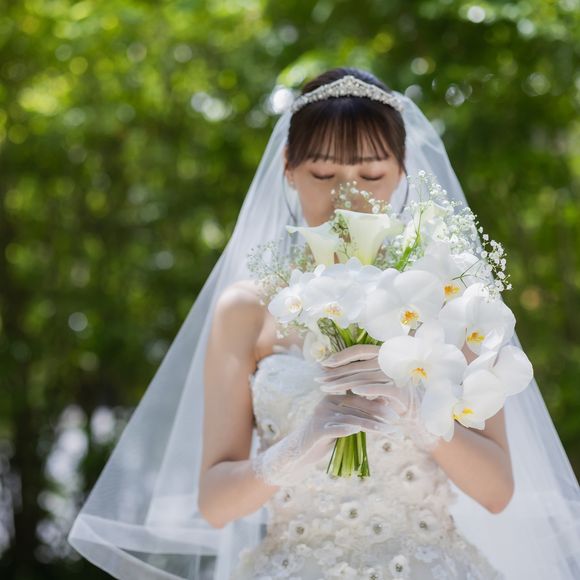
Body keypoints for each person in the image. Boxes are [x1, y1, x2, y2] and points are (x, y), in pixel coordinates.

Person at [67, 68, 580, 580]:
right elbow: (216, 505)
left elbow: (497, 492)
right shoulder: (245, 310)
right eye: (323, 174)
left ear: (402, 169)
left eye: (371, 175)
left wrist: (416, 412)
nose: (347, 197)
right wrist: (297, 449)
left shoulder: (449, 298)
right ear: (289, 168)